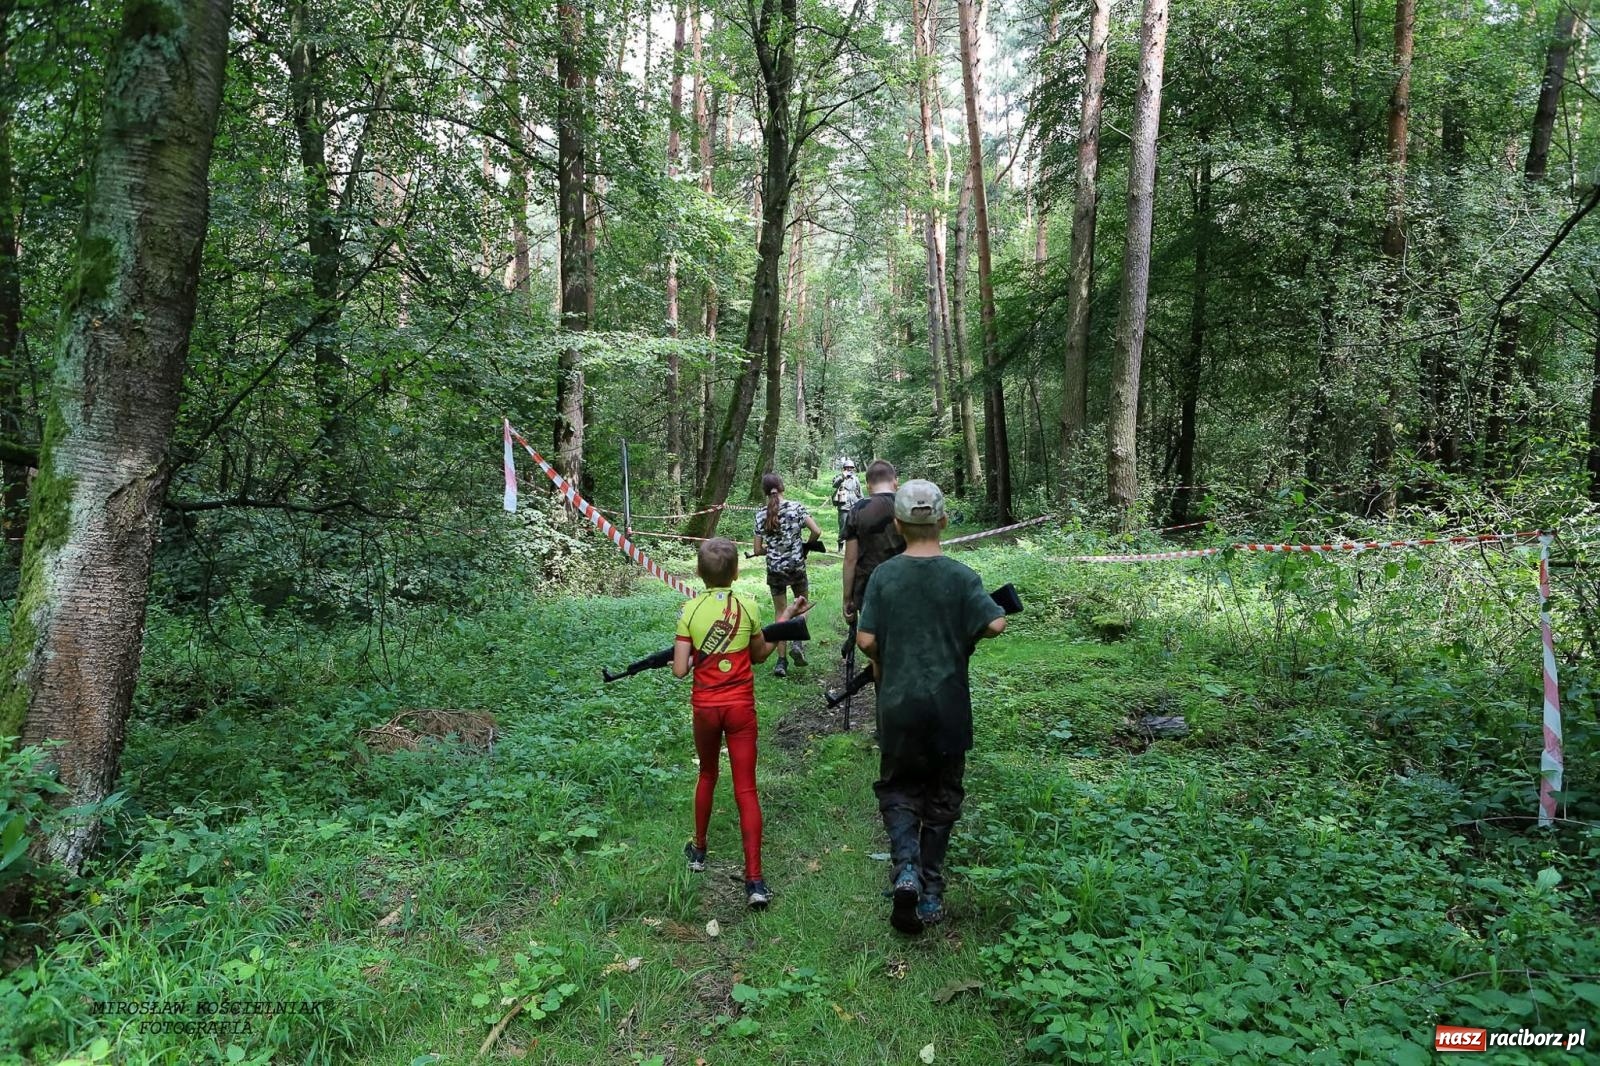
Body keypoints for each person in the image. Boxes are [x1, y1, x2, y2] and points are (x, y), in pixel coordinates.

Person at [855, 479, 1007, 934]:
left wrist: (884, 656)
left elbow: (866, 639)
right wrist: (966, 634)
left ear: (898, 526)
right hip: (949, 706)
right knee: (942, 794)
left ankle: (905, 869)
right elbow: (996, 622)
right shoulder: (961, 576)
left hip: (898, 706)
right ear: (943, 521)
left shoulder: (884, 576)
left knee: (900, 788)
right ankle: (932, 890)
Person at [673, 537, 809, 909]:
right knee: (746, 790)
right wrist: (784, 620)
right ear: (735, 572)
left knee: (707, 776)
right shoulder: (747, 606)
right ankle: (754, 881)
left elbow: (681, 670)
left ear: (699, 573)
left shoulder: (689, 609)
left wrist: (696, 651)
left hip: (705, 708)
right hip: (740, 710)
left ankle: (699, 851)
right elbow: (761, 655)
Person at [752, 473, 824, 678]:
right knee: (802, 603)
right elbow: (817, 531)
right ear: (782, 487)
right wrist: (805, 546)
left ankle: (781, 662)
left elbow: (757, 550)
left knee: (780, 611)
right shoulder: (797, 508)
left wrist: (772, 549)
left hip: (775, 570)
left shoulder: (760, 515)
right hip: (796, 566)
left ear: (765, 492)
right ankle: (797, 644)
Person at [830, 458, 862, 549]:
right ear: (843, 468)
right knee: (843, 527)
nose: (849, 469)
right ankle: (840, 546)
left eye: (851, 468)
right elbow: (834, 485)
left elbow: (859, 492)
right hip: (843, 506)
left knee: (856, 526)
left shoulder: (855, 479)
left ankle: (854, 547)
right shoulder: (839, 478)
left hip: (854, 505)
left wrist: (863, 503)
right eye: (847, 468)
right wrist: (842, 477)